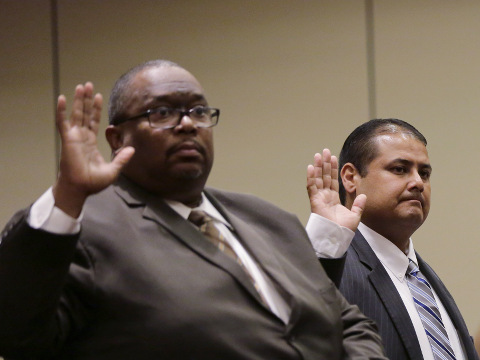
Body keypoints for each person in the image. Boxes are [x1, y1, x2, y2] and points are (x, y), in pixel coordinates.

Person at [0, 60, 386, 360]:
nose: (187, 124)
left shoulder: (270, 221)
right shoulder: (83, 226)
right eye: (162, 113)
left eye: (199, 112)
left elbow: (349, 324)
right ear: (116, 138)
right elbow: (21, 337)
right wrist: (67, 195)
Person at [306, 119, 479, 360]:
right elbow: (301, 325)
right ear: (350, 178)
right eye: (400, 169)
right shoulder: (334, 263)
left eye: (425, 173)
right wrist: (327, 240)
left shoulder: (424, 280)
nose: (418, 182)